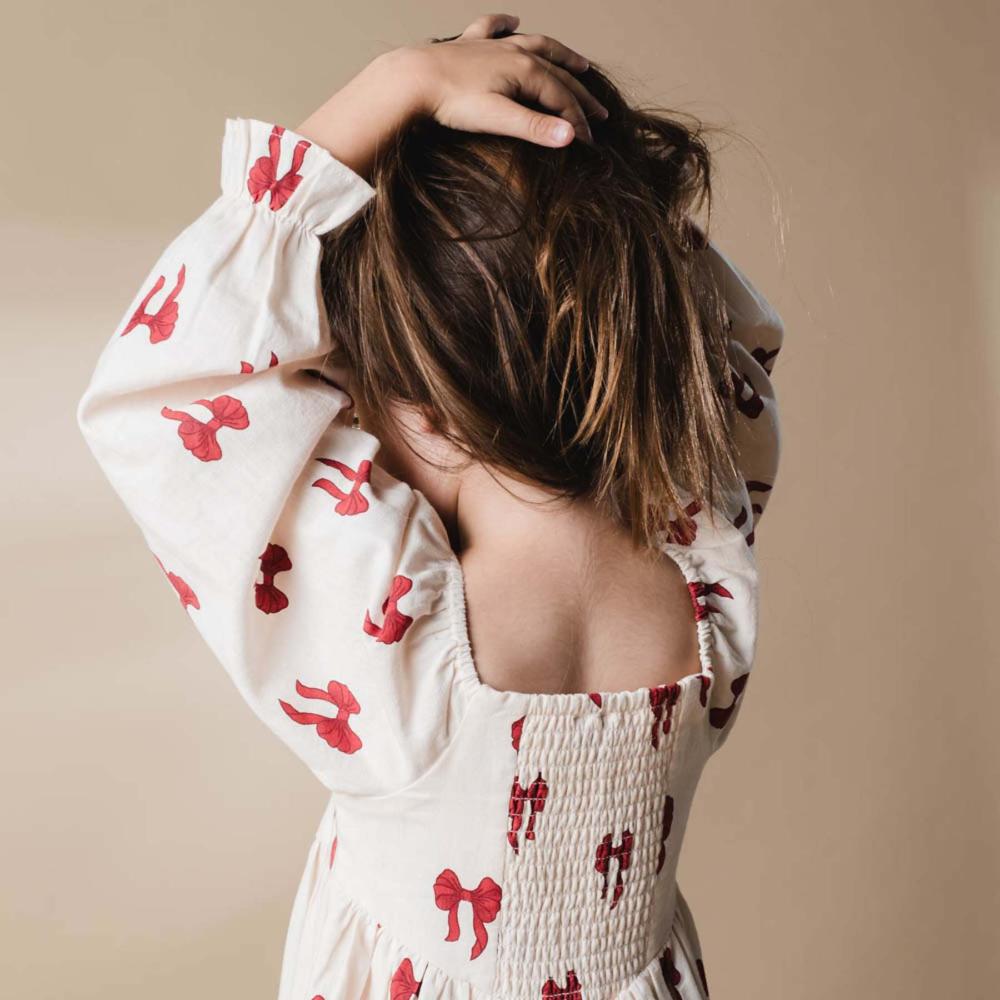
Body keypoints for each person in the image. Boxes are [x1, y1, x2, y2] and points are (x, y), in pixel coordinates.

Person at [76, 12, 782, 999]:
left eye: (349, 389)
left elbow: (165, 401)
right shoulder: (711, 580)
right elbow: (722, 342)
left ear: (432, 412)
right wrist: (585, 170)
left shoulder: (392, 650)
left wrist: (393, 87)